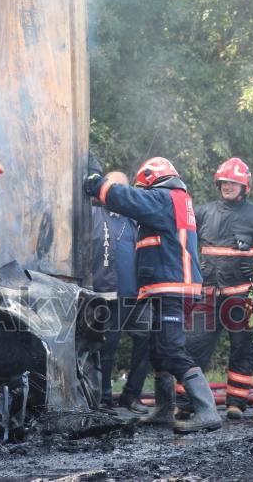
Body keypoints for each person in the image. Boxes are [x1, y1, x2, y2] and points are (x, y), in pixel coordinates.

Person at [84, 157, 221, 434]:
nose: (141, 192)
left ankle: (207, 410)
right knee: (159, 351)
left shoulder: (165, 197)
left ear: (151, 178)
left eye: (142, 186)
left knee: (171, 349)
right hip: (166, 287)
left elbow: (127, 199)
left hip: (173, 287)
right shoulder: (174, 199)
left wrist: (95, 182)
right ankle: (163, 410)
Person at [179, 158, 253, 420]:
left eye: (234, 182)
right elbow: (181, 236)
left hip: (243, 298)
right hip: (207, 297)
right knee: (192, 347)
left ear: (245, 187)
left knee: (243, 349)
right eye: (224, 182)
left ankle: (236, 403)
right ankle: (185, 401)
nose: (228, 186)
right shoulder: (203, 213)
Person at [91, 171, 151, 415]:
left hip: (137, 294)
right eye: (112, 186)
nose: (116, 192)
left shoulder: (136, 218)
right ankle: (103, 398)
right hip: (107, 294)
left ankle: (131, 395)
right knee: (108, 345)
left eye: (121, 188)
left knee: (148, 338)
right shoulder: (92, 214)